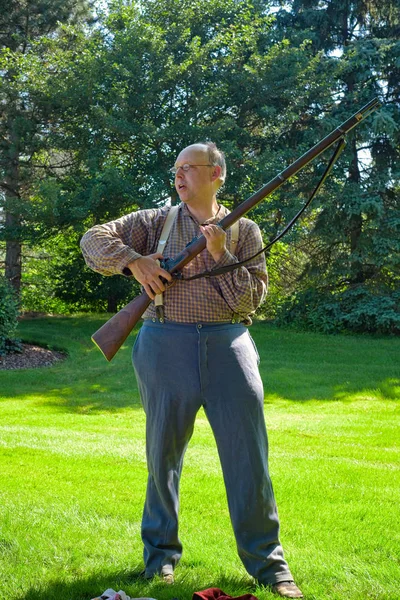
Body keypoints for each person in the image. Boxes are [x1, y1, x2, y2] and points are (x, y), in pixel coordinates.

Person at [80, 142, 303, 599]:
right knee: (162, 457)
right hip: (164, 343)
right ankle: (160, 558)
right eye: (176, 168)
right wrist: (134, 260)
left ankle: (270, 566)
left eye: (189, 168)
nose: (179, 176)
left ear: (216, 173)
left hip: (229, 344)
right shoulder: (154, 222)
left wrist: (220, 255)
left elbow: (249, 302)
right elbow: (93, 241)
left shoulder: (246, 231)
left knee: (249, 461)